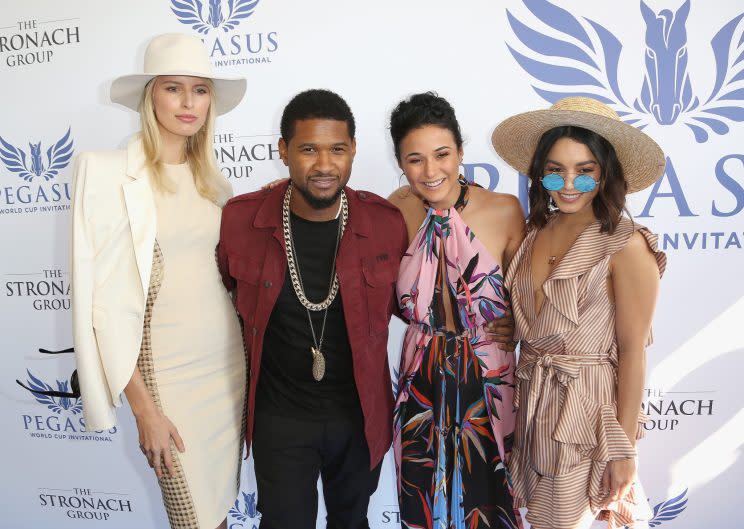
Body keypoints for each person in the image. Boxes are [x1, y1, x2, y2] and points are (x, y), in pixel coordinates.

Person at [71, 33, 247, 529]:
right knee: (192, 515)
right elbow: (100, 305)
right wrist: (144, 407)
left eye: (200, 89)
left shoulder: (214, 183)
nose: (188, 102)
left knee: (219, 511)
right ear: (151, 96)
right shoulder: (104, 173)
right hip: (166, 376)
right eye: (173, 88)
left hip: (227, 368)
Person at [217, 89, 408, 529]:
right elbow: (219, 301)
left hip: (360, 418)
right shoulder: (240, 221)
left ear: (354, 151)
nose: (324, 165)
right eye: (308, 149)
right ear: (283, 151)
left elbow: (417, 302)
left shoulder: (385, 222)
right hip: (279, 419)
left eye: (337, 149)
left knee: (352, 521)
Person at [491, 97, 667, 529]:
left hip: (586, 417)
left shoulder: (626, 244)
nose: (568, 184)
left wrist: (621, 449)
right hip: (532, 408)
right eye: (555, 169)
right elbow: (537, 319)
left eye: (584, 172)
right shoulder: (532, 234)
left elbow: (632, 352)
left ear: (605, 173)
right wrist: (514, 326)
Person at [387, 93, 525, 529]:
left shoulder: (504, 209)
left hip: (488, 374)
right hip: (420, 378)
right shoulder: (393, 211)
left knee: (489, 499)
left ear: (461, 153)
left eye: (442, 154)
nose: (431, 171)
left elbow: (535, 294)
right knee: (421, 499)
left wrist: (517, 326)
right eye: (415, 159)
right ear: (400, 163)